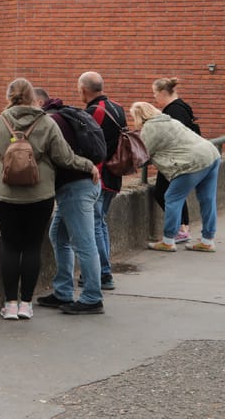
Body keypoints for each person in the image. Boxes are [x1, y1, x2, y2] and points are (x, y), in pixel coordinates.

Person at [0, 78, 100, 321]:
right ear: (34, 97)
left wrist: (4, 159)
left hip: (5, 196)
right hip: (39, 196)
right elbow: (65, 158)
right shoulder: (46, 122)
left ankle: (10, 305)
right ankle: (26, 305)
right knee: (32, 248)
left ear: (8, 96)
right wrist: (88, 165)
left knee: (10, 247)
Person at [32, 88, 105, 315]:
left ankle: (92, 297)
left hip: (76, 188)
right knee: (59, 236)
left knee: (83, 243)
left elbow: (58, 157)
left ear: (40, 102)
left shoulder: (51, 121)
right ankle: (63, 291)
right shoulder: (64, 114)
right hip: (81, 186)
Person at [132, 101, 220, 252]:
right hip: (211, 154)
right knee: (208, 199)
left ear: (139, 116)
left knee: (172, 198)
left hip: (191, 163)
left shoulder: (150, 128)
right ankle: (207, 240)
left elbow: (142, 155)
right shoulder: (169, 120)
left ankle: (168, 240)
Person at [77, 71, 126, 291]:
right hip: (114, 176)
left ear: (83, 89)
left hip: (100, 175)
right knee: (101, 223)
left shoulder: (95, 111)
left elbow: (90, 145)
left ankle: (103, 273)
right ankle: (103, 271)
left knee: (95, 225)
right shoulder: (117, 107)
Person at [152, 77, 201, 243]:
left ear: (163, 92)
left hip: (175, 160)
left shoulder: (173, 110)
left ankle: (180, 229)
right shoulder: (182, 106)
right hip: (183, 158)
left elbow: (174, 136)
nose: (154, 98)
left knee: (162, 192)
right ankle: (183, 228)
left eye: (155, 93)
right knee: (177, 193)